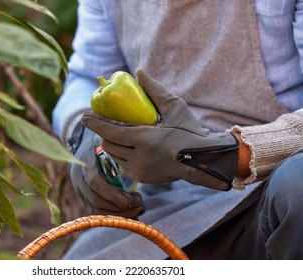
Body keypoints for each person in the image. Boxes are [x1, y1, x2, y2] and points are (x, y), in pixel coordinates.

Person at [52, 0, 303, 259]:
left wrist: (228, 154)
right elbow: (85, 76)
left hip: (270, 198)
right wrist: (80, 133)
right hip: (167, 204)